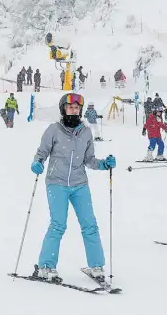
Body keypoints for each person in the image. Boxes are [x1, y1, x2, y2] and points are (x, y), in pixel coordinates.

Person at [30, 93, 116, 282]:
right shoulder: (54, 130)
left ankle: (96, 266)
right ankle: (46, 266)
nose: (74, 110)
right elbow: (42, 152)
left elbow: (89, 160)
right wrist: (37, 162)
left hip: (79, 184)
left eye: (77, 108)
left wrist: (104, 164)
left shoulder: (85, 132)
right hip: (56, 183)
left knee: (90, 225)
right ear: (63, 109)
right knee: (58, 225)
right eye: (70, 107)